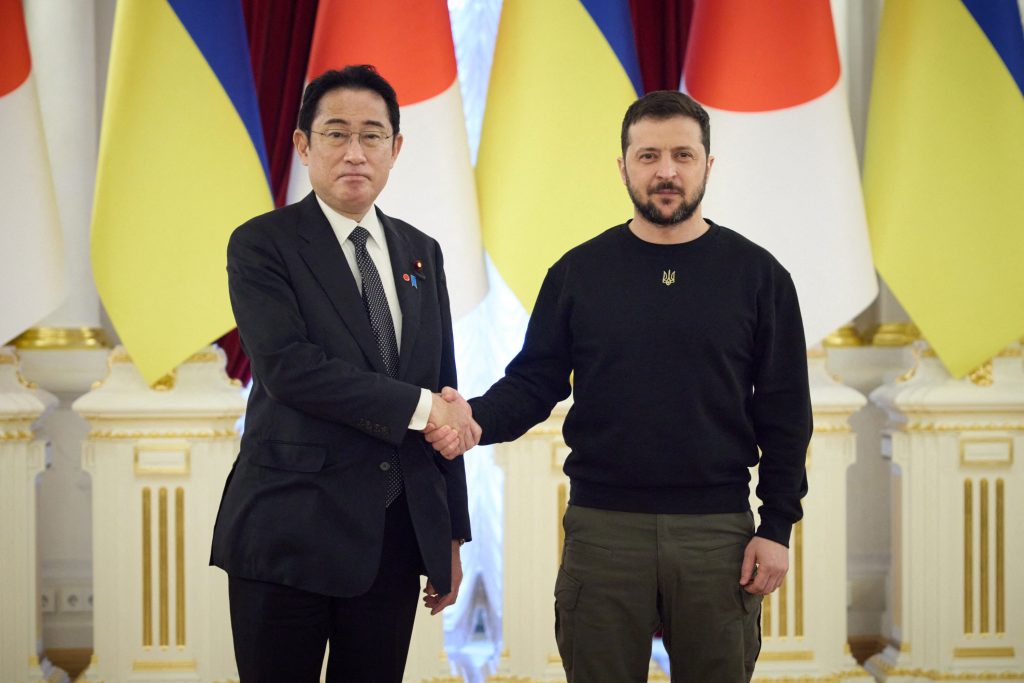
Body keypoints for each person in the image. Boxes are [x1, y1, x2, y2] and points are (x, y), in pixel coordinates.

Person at [428, 90, 811, 682]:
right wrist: (474, 416)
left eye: (683, 156)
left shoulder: (759, 277)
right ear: (623, 166)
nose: (666, 171)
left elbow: (786, 414)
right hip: (603, 531)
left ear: (708, 165)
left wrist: (777, 527)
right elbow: (534, 382)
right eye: (648, 155)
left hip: (719, 536)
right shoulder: (579, 273)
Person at [210, 65, 474, 683]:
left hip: (392, 537)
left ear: (396, 149)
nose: (355, 152)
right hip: (288, 536)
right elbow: (289, 369)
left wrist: (452, 535)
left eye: (372, 135)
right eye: (335, 133)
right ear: (303, 145)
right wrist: (422, 407)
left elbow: (444, 386)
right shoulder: (262, 244)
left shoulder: (421, 251)